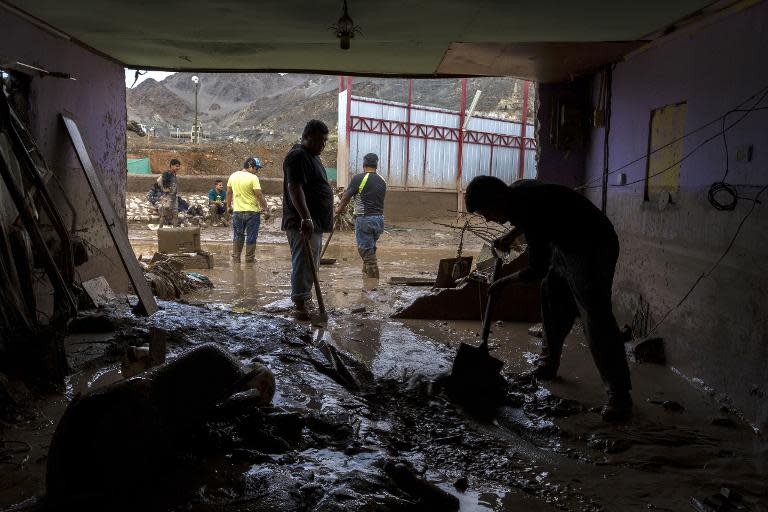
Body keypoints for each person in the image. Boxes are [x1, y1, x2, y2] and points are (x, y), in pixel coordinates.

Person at [464, 176, 633, 423]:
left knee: (594, 314)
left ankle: (619, 395)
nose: (488, 219)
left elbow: (536, 269)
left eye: (486, 212)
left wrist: (503, 283)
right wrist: (510, 238)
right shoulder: (516, 194)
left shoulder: (528, 205)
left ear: (497, 199)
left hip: (595, 243)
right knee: (551, 292)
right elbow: (530, 218)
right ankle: (547, 364)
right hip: (566, 243)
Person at [282, 120, 334, 320]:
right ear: (306, 137)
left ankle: (305, 300)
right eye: (319, 140)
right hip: (303, 223)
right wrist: (305, 217)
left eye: (325, 141)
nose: (323, 145)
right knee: (304, 262)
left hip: (313, 223)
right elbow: (294, 188)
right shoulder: (297, 156)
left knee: (310, 261)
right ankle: (301, 304)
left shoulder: (312, 156)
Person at [335, 152, 387, 278]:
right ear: (376, 165)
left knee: (364, 249)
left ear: (364, 165)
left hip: (365, 219)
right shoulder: (382, 180)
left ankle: (373, 280)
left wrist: (339, 209)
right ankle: (366, 277)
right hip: (379, 220)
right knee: (371, 248)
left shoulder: (359, 178)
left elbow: (347, 196)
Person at [226, 157, 267, 263]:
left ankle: (236, 257)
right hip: (252, 212)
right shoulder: (253, 178)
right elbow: (258, 194)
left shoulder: (233, 176)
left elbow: (229, 193)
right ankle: (249, 259)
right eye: (256, 168)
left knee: (238, 235)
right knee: (251, 236)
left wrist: (228, 206)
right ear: (250, 166)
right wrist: (265, 208)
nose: (257, 171)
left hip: (237, 212)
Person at [157, 158, 181, 228]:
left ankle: (175, 231)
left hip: (174, 197)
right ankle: (160, 230)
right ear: (171, 166)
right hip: (167, 197)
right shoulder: (166, 174)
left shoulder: (174, 175)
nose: (178, 168)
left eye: (179, 166)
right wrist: (164, 189)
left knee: (175, 214)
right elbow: (159, 181)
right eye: (176, 166)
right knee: (163, 215)